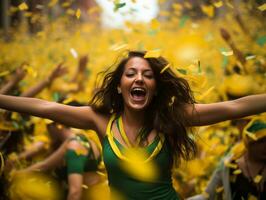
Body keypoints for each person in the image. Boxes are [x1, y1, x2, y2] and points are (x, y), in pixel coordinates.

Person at [0, 50, 265, 199]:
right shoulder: (100, 120)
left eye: (147, 75)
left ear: (156, 88)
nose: (139, 78)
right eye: (131, 73)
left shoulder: (173, 116)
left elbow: (234, 107)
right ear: (119, 86)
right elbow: (45, 107)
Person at [186, 117, 266, 200]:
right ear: (248, 144)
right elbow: (207, 195)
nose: (265, 146)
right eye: (260, 142)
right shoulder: (229, 165)